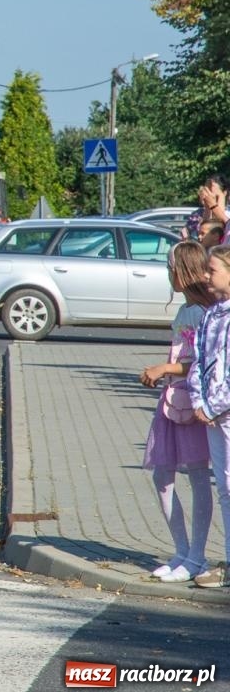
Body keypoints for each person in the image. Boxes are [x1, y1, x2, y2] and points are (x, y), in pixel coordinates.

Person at [138, 241, 215, 582]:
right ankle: (181, 550)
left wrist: (163, 369)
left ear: (183, 270)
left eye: (171, 267)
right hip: (172, 402)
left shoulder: (201, 314)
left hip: (191, 402)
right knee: (162, 476)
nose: (167, 273)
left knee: (198, 477)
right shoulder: (186, 311)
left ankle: (196, 555)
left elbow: (201, 366)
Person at [188, 243, 230, 587]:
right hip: (213, 414)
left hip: (225, 411)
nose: (205, 275)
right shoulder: (212, 314)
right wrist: (198, 401)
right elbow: (199, 361)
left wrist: (214, 404)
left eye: (212, 269)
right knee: (226, 488)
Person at [185, 175, 228, 240]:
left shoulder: (228, 213)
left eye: (211, 190)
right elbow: (199, 237)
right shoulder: (197, 215)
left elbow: (222, 224)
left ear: (224, 193)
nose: (208, 194)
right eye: (206, 190)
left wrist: (214, 203)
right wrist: (207, 207)